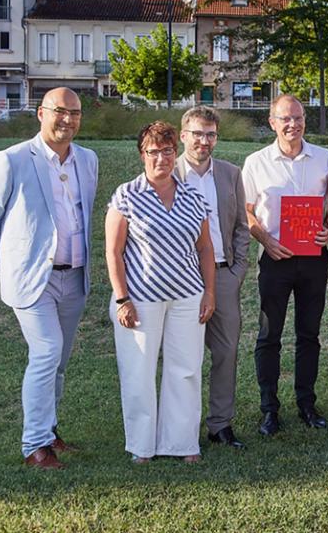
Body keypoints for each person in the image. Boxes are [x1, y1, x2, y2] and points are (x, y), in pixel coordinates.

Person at [0, 88, 98, 469]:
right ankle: (34, 445)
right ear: (41, 113)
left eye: (75, 113)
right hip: (32, 280)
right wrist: (5, 266)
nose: (67, 119)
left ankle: (49, 432)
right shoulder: (12, 160)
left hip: (75, 276)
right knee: (47, 351)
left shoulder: (89, 160)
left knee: (60, 361)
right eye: (59, 111)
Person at [106, 122, 216, 463]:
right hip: (140, 299)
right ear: (143, 154)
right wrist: (122, 298)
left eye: (168, 151)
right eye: (154, 151)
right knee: (138, 371)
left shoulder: (192, 197)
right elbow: (113, 251)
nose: (161, 158)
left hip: (187, 296)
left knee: (185, 369)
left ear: (175, 153)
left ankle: (182, 444)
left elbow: (206, 249)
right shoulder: (126, 195)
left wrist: (209, 293)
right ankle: (142, 446)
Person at [243, 94, 328, 436]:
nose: (292, 124)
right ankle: (270, 409)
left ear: (304, 121)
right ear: (272, 122)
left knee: (309, 334)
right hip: (274, 258)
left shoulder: (325, 159)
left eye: (297, 118)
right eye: (285, 119)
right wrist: (266, 240)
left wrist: (327, 228)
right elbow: (247, 210)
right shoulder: (256, 162)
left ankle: (307, 404)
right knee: (269, 335)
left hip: (313, 258)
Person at [174, 106, 250, 449]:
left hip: (222, 275)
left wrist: (236, 273)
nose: (204, 141)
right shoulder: (167, 172)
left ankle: (220, 424)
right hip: (181, 279)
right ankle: (181, 426)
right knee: (184, 357)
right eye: (198, 133)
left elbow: (240, 229)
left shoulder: (230, 173)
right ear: (183, 135)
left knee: (226, 352)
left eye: (211, 135)